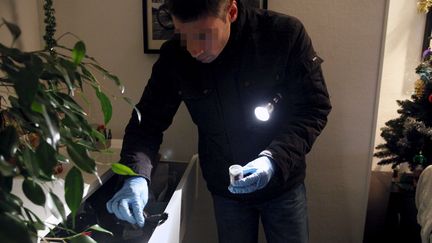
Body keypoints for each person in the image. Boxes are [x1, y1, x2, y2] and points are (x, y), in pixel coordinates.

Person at [106, 0, 331, 242]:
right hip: (226, 188)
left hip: (282, 182)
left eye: (203, 35)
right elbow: (146, 123)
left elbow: (313, 108)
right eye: (184, 35)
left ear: (231, 12)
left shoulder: (283, 35)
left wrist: (274, 160)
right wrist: (136, 176)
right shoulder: (175, 56)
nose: (193, 49)